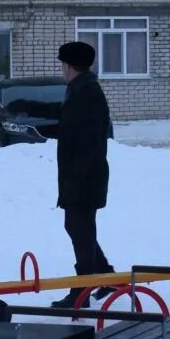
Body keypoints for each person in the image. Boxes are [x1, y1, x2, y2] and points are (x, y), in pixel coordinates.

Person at [53, 40, 115, 308]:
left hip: (84, 177)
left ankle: (82, 289)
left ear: (69, 66)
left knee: (80, 228)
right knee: (80, 228)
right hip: (81, 175)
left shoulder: (86, 93)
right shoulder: (80, 90)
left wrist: (75, 181)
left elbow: (87, 143)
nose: (62, 70)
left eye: (63, 65)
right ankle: (106, 276)